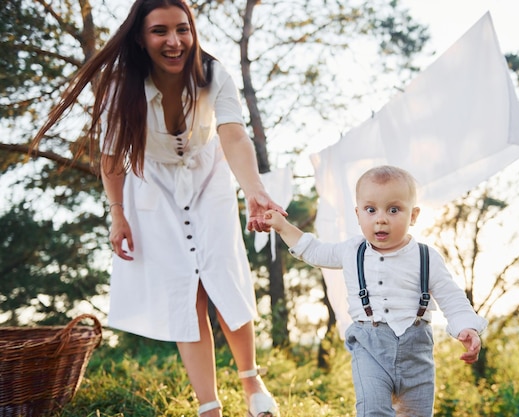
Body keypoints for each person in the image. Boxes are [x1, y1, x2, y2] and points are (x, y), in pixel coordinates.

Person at [30, 1, 285, 416]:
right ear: (139, 37)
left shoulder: (213, 74)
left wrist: (253, 189)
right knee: (187, 291)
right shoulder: (120, 86)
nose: (174, 41)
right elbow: (111, 158)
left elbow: (234, 136)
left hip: (208, 176)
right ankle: (209, 406)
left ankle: (251, 381)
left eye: (182, 29)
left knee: (223, 273)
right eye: (160, 31)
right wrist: (118, 213)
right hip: (153, 185)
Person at [264, 165, 488, 417]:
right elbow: (315, 251)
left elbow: (452, 297)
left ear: (413, 215)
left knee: (416, 413)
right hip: (369, 345)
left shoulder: (426, 257)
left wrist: (465, 327)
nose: (381, 218)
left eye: (394, 209)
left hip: (417, 353)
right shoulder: (351, 250)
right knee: (373, 410)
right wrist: (283, 226)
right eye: (371, 210)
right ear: (358, 215)